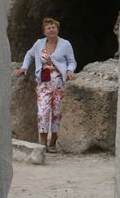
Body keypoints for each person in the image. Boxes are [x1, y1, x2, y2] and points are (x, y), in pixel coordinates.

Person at [14, 17, 76, 152]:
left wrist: (70, 70)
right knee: (42, 113)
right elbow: (29, 54)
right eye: (49, 28)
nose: (52, 29)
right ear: (44, 31)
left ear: (57, 29)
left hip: (60, 84)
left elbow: (72, 61)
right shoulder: (39, 43)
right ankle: (42, 144)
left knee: (57, 113)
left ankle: (52, 143)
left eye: (54, 27)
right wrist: (24, 67)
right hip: (43, 84)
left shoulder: (65, 44)